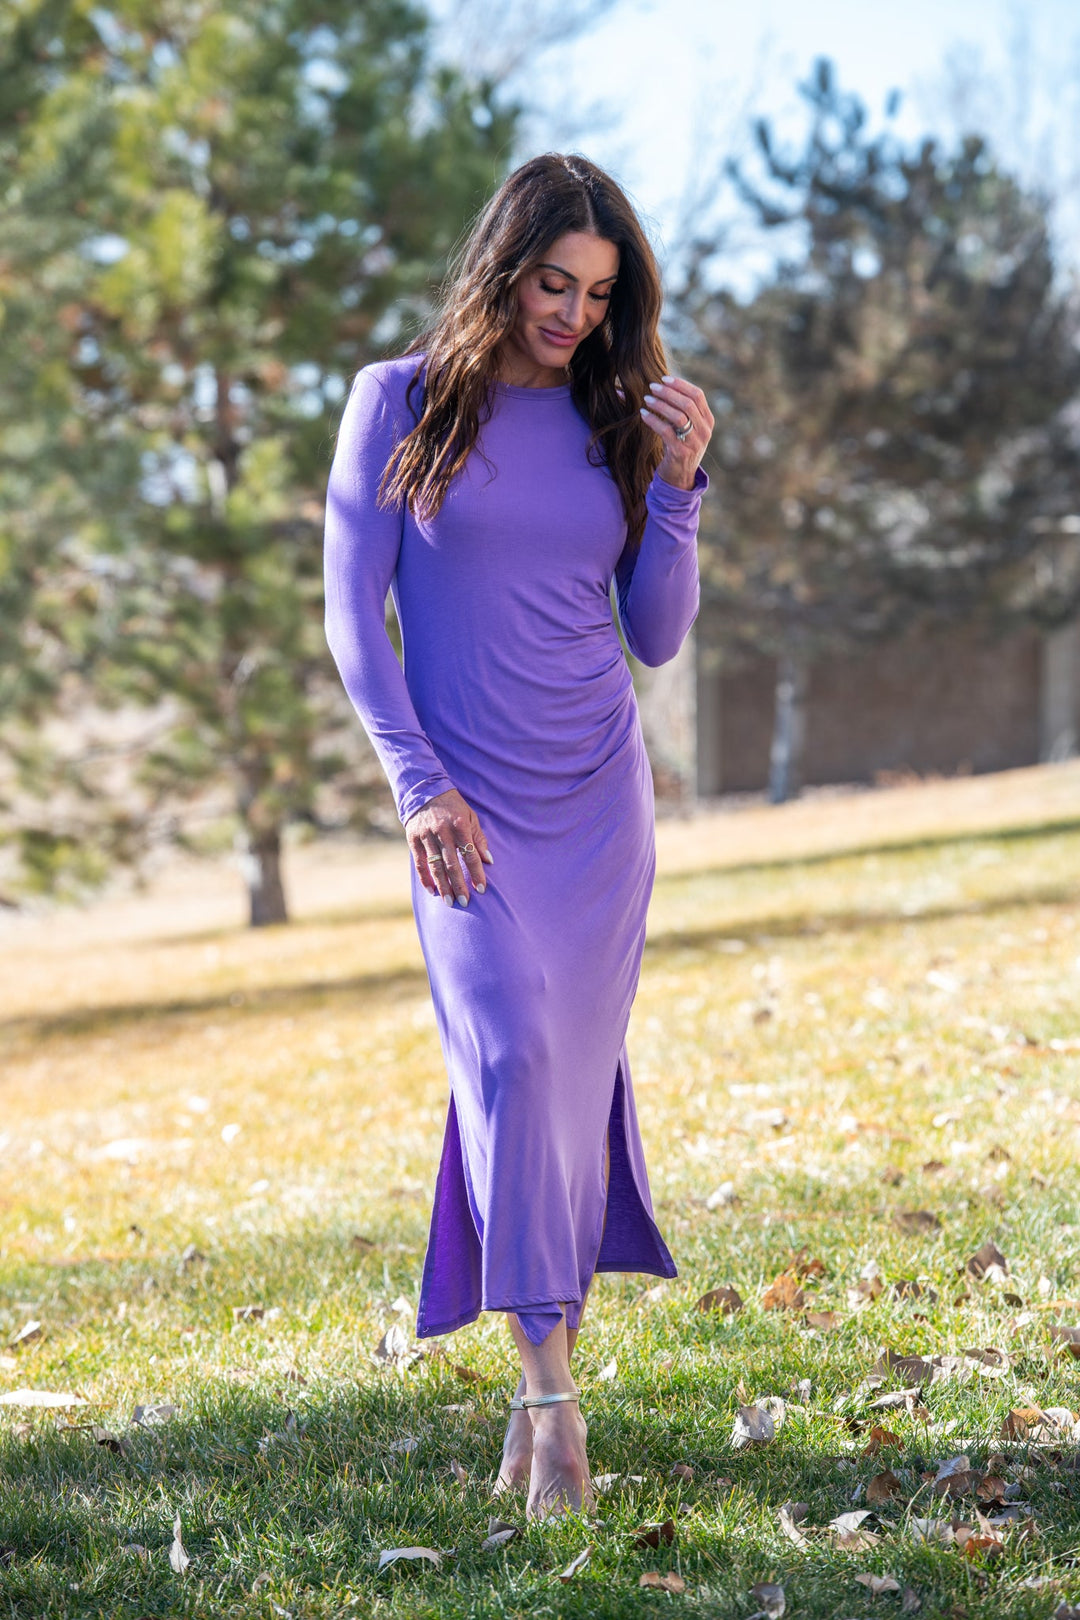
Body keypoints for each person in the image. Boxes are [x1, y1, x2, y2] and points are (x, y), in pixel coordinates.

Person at [323, 152, 712, 1518]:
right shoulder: (399, 401)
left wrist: (679, 486)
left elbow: (654, 635)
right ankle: (554, 1403)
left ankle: (540, 1389)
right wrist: (416, 784)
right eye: (554, 282)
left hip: (598, 796)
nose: (574, 314)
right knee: (514, 1057)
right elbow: (350, 618)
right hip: (466, 808)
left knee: (563, 1081)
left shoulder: (615, 418)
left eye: (599, 295)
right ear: (503, 266)